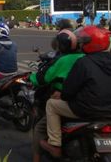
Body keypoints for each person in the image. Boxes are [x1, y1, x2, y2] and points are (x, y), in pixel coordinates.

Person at [39, 26, 111, 158]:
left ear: (90, 43)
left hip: (86, 109)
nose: (81, 44)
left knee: (51, 104)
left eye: (84, 41)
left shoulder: (83, 62)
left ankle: (54, 144)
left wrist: (62, 94)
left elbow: (68, 90)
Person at [29, 29, 84, 162]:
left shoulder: (62, 60)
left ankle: (41, 155)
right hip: (89, 100)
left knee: (39, 128)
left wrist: (31, 77)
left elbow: (43, 79)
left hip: (68, 100)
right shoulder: (85, 57)